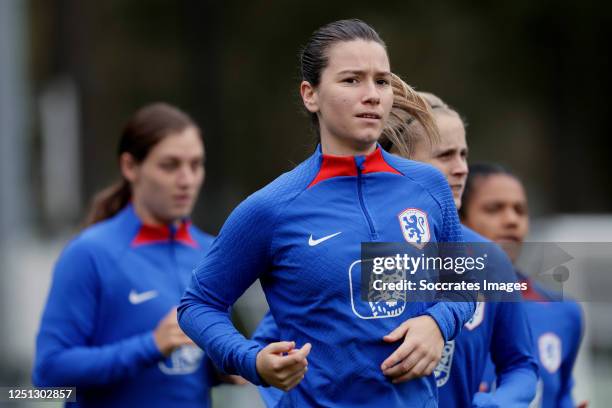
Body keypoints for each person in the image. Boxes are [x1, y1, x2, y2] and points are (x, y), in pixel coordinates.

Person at [178, 19, 476, 407]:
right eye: (351, 80)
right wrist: (251, 360)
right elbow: (197, 304)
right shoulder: (272, 207)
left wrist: (438, 323)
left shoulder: (427, 186)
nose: (371, 95)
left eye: (381, 81)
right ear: (310, 95)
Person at [33, 103, 220, 407]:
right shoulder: (90, 253)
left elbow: (190, 370)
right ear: (130, 167)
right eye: (170, 165)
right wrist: (151, 345)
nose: (186, 180)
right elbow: (49, 372)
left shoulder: (214, 252)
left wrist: (232, 364)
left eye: (196, 165)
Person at [380, 83, 539, 407]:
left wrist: (494, 403)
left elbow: (521, 367)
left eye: (464, 154)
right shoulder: (353, 248)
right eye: (445, 156)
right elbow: (280, 339)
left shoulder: (488, 259)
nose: (462, 168)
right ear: (400, 163)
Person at [460, 163, 585, 408]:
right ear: (459, 219)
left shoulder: (564, 312)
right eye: (494, 209)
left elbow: (560, 396)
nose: (511, 220)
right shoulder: (436, 302)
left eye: (520, 210)